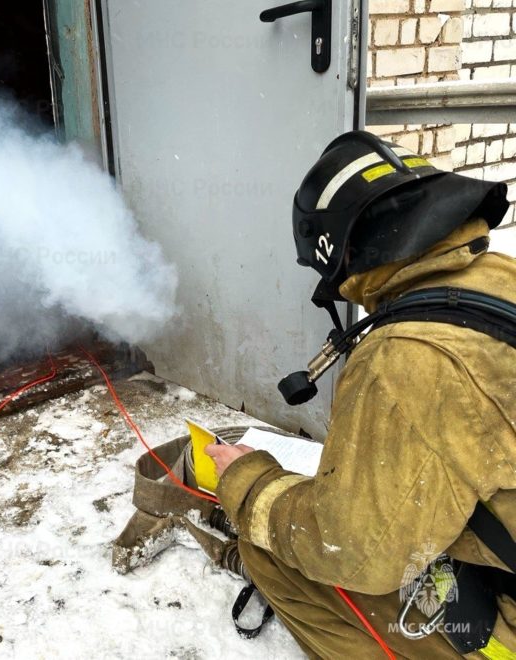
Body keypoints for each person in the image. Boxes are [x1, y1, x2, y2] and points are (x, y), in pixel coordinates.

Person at [205, 130, 515, 659]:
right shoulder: (500, 280)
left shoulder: (404, 360)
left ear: (342, 252)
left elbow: (351, 550)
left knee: (275, 556)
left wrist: (247, 483)